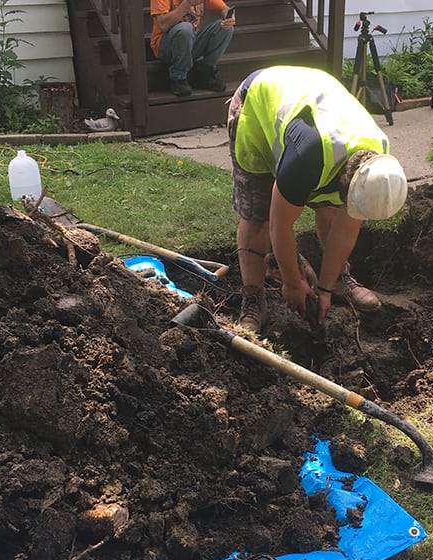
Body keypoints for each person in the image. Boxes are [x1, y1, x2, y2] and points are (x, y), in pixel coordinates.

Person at [227, 65, 408, 333]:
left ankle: (338, 280)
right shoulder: (308, 154)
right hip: (256, 106)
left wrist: (323, 289)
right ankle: (253, 297)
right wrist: (291, 282)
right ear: (347, 179)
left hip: (310, 99)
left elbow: (345, 228)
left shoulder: (378, 158)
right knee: (258, 217)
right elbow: (280, 224)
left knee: (331, 211)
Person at [150, 0, 236, 97]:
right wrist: (187, 4)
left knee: (225, 28)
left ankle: (204, 73)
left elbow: (224, 8)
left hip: (190, 43)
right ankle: (178, 77)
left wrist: (229, 17)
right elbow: (163, 25)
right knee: (185, 29)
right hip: (165, 46)